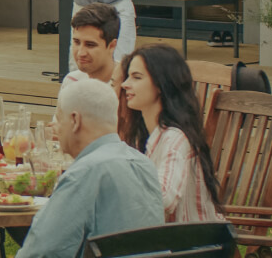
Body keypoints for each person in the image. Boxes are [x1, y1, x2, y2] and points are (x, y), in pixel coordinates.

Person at [15, 79, 164, 258]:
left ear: (75, 120)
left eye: (59, 118)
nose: (55, 127)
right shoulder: (144, 164)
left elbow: (41, 252)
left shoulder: (84, 173)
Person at [119, 44, 224, 222]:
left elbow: (163, 199)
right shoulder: (146, 136)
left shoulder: (175, 139)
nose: (124, 84)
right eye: (128, 77)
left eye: (136, 77)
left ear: (161, 84)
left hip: (193, 244)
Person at [62, 2, 124, 88]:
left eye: (90, 45)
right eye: (77, 42)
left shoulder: (128, 87)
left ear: (112, 46)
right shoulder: (71, 81)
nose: (81, 53)